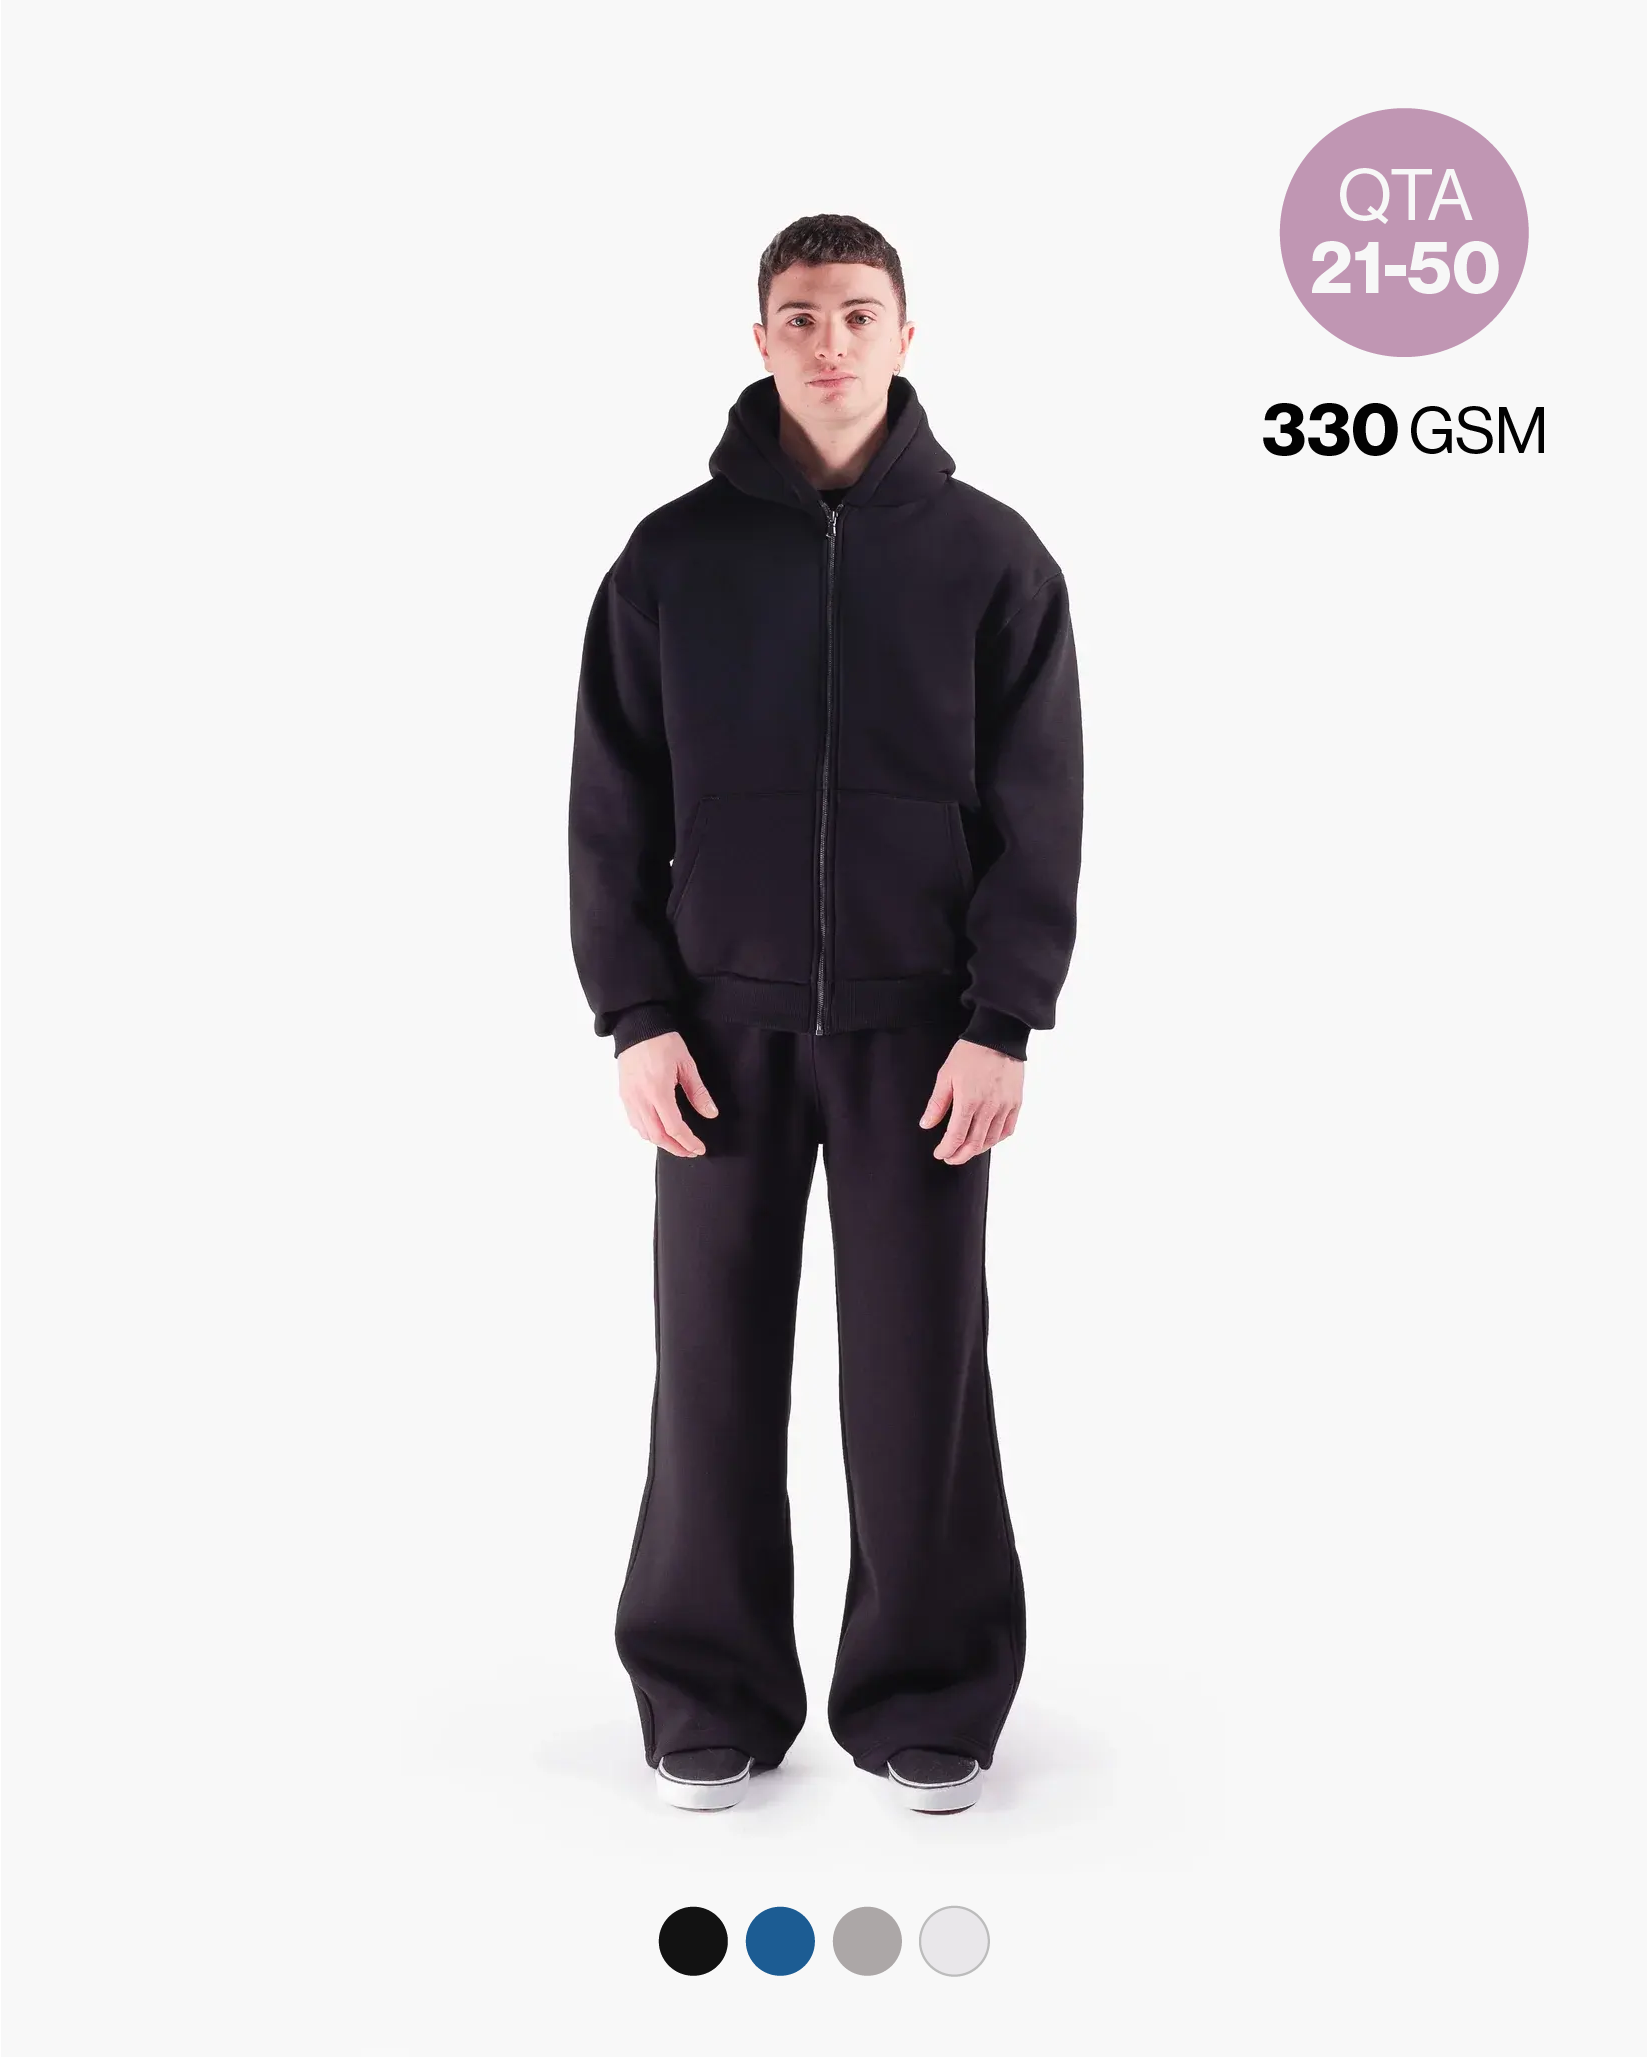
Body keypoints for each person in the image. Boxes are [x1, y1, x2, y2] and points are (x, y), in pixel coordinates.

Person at [568, 214, 1083, 1815]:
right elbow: (609, 806)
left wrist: (1002, 1019)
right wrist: (635, 1012)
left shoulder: (992, 558)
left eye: (858, 314)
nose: (830, 342)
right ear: (761, 340)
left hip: (923, 1036)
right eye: (799, 316)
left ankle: (928, 1697)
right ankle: (706, 1697)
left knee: (919, 1370)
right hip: (714, 1036)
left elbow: (1039, 805)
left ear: (905, 336)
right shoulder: (672, 558)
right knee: (710, 1368)